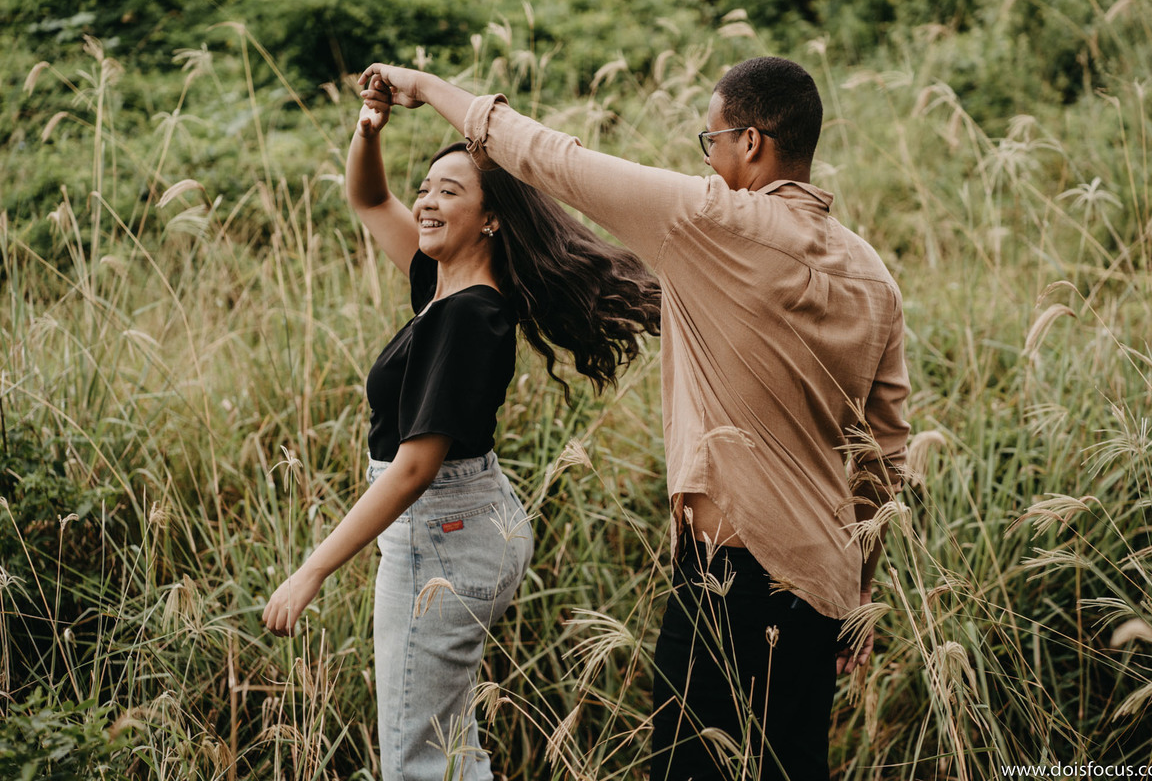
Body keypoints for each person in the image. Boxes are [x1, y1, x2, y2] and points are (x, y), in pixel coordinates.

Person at [354, 55, 910, 779]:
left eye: (709, 142)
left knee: (684, 766)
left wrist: (425, 87)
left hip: (729, 575)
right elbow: (887, 450)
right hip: (827, 579)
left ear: (750, 144)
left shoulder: (711, 221)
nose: (707, 162)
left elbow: (555, 159)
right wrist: (861, 586)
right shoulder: (873, 274)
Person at [262, 81, 660, 781]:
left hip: (442, 535)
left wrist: (312, 570)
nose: (425, 202)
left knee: (418, 760)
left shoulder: (467, 317)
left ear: (491, 218)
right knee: (445, 746)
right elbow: (367, 199)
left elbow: (414, 469)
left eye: (448, 191)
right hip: (460, 526)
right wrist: (371, 125)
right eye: (426, 188)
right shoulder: (444, 287)